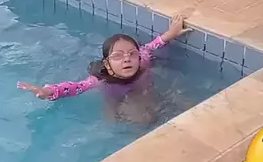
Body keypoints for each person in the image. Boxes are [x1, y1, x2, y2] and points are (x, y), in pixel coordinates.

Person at [17, 14, 188, 103]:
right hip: (114, 95)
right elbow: (74, 88)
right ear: (107, 63)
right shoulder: (101, 79)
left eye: (131, 53)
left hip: (141, 88)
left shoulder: (142, 59)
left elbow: (153, 45)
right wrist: (47, 92)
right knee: (123, 118)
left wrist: (171, 33)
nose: (127, 59)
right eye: (118, 56)